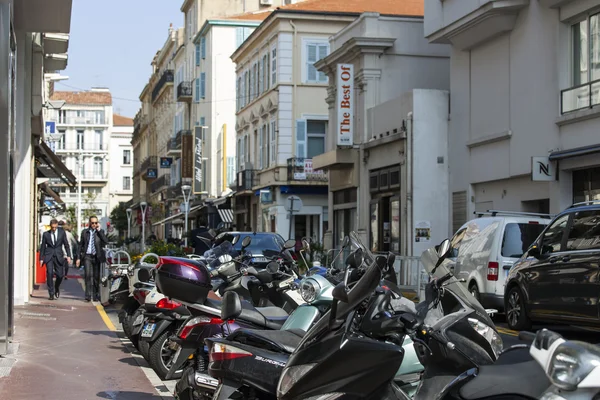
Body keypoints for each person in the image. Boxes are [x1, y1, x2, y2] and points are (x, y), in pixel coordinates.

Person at [76, 215, 108, 302]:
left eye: (96, 223)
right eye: (92, 223)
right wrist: (78, 257)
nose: (94, 224)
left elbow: (105, 241)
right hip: (87, 256)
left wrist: (99, 231)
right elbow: (80, 245)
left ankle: (96, 295)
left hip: (97, 256)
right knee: (88, 275)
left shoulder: (100, 232)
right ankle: (88, 295)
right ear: (89, 223)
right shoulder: (85, 232)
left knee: (96, 277)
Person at [39, 219, 72, 300]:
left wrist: (68, 255)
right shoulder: (46, 234)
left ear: (57, 226)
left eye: (55, 227)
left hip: (58, 256)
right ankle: (51, 293)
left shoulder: (61, 233)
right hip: (49, 256)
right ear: (50, 226)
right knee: (49, 273)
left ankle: (57, 287)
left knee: (60, 275)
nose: (53, 229)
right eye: (52, 227)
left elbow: (66, 244)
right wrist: (41, 258)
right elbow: (43, 246)